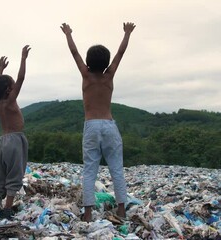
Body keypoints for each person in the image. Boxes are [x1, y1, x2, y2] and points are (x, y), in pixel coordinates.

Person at [60, 22, 136, 222]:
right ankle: (121, 209)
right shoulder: (109, 75)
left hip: (91, 125)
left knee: (89, 171)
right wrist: (127, 33)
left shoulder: (86, 75)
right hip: (109, 125)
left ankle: (87, 213)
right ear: (106, 62)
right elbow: (121, 53)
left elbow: (74, 52)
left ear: (88, 61)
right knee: (116, 169)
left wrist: (68, 33)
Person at [0, 45, 31, 220]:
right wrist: (23, 58)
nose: (14, 87)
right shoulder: (11, 100)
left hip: (2, 141)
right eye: (11, 86)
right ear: (9, 90)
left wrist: (1, 70)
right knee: (14, 174)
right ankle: (7, 209)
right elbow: (21, 78)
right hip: (15, 140)